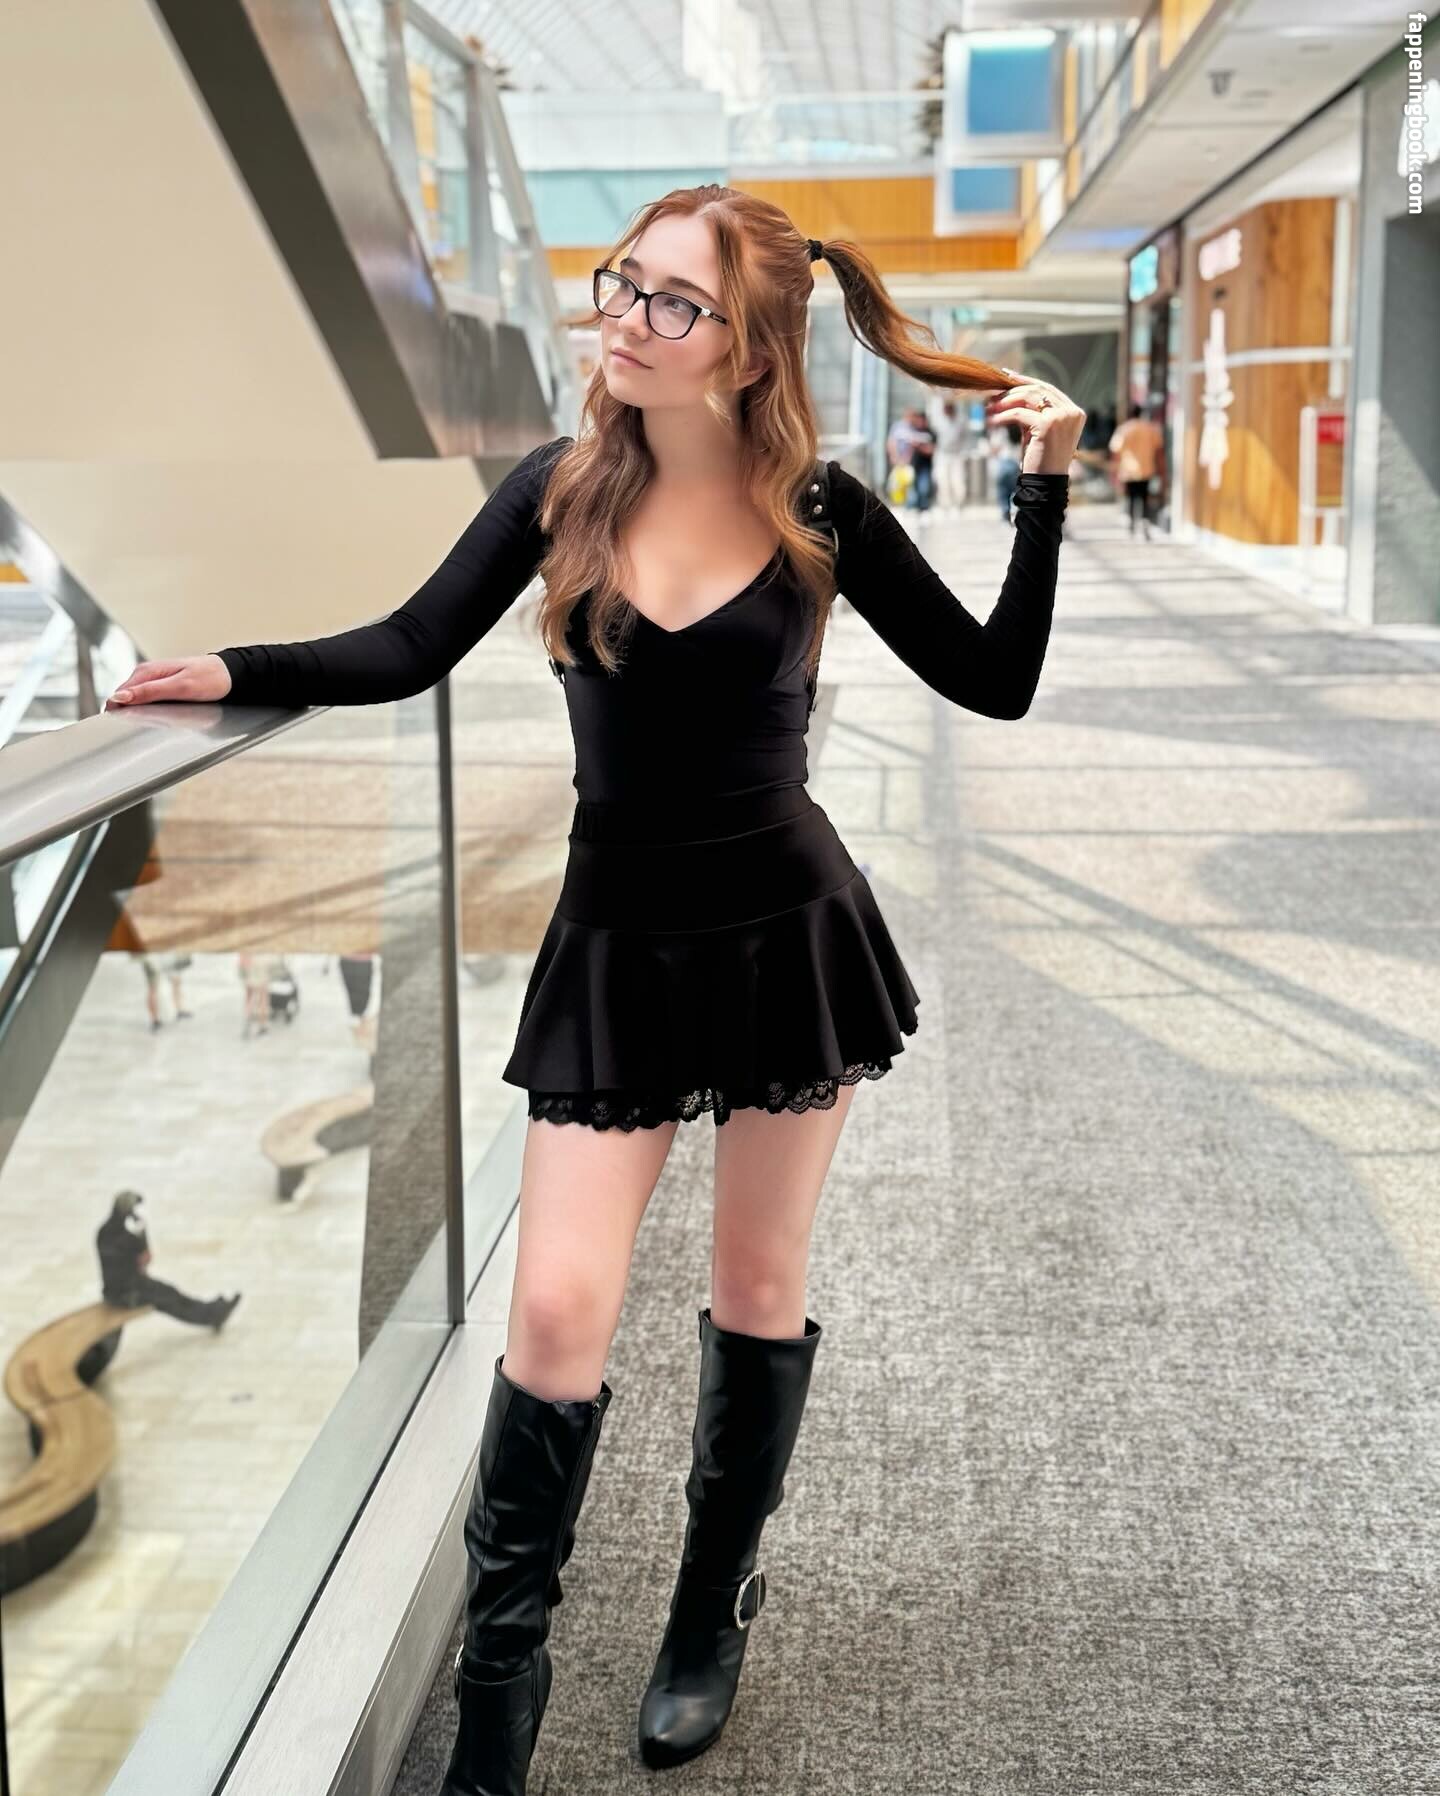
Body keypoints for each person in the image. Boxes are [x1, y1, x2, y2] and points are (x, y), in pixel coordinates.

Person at [106, 185, 1083, 1794]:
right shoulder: (559, 489)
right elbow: (408, 645)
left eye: (671, 302)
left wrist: (1043, 493)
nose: (625, 318)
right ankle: (499, 1706)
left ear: (749, 349)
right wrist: (238, 669)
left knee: (755, 1283)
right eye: (624, 282)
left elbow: (996, 679)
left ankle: (710, 1607)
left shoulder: (820, 507)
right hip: (619, 939)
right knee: (557, 1311)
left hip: (786, 929)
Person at [95, 1191, 242, 1330]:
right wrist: (142, 1235)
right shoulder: (127, 1237)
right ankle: (212, 1315)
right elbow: (145, 1259)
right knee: (171, 1299)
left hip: (121, 1290)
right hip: (127, 1294)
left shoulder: (105, 1232)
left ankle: (211, 1311)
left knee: (171, 1294)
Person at [1109, 402, 1165, 539]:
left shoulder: (1124, 429)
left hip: (1128, 471)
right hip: (1146, 469)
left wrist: (1114, 471)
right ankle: (1144, 524)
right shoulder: (1150, 428)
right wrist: (1162, 470)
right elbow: (1159, 451)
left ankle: (1131, 526)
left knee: (1131, 498)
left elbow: (1115, 451)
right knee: (1144, 498)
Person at [930, 398, 968, 511]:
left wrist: (965, 452)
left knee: (958, 481)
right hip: (942, 454)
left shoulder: (961, 421)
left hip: (957, 454)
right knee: (942, 481)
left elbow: (966, 438)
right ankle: (945, 505)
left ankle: (959, 504)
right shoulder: (938, 421)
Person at [990, 418, 1023, 524]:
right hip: (1016, 464)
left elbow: (994, 449)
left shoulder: (1002, 431)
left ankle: (1005, 513)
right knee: (1015, 490)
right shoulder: (1020, 432)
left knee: (1003, 491)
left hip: (1004, 463)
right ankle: (1015, 511)